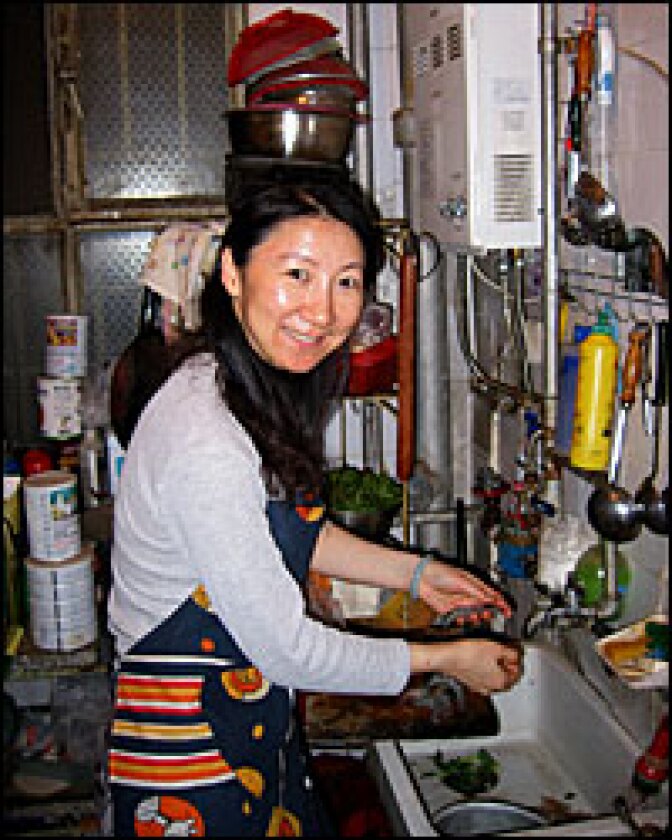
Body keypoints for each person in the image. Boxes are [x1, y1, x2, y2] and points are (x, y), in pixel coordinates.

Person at [106, 178, 522, 837]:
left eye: (347, 282)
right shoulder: (205, 435)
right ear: (234, 275)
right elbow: (289, 651)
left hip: (245, 726)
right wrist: (444, 659)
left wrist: (415, 574)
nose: (322, 311)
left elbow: (283, 534)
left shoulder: (239, 384)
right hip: (188, 764)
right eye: (297, 274)